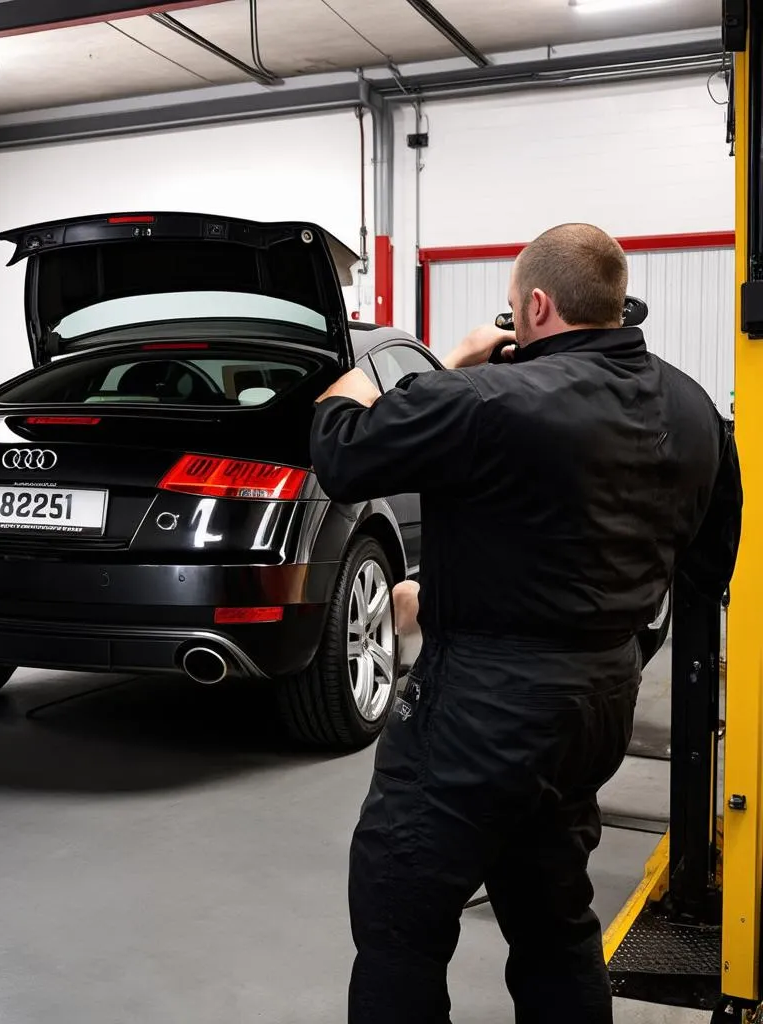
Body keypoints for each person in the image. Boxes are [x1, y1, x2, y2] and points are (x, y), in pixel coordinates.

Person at [310, 223, 742, 1024]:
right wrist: (621, 644)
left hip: (476, 714)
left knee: (401, 926)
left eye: (513, 307)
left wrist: (417, 366)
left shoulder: (485, 398)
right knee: (554, 925)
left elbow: (341, 450)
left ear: (535, 306)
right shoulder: (693, 407)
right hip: (596, 708)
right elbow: (708, 566)